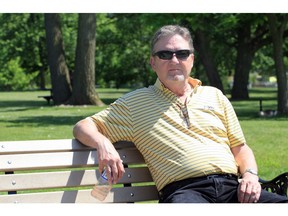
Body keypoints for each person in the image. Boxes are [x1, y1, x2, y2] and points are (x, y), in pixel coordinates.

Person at [73, 25, 288, 203]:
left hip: (234, 189)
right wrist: (103, 143)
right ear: (153, 62)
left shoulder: (215, 96)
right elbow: (82, 127)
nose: (174, 60)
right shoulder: (135, 103)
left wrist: (250, 175)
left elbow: (240, 149)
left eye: (182, 54)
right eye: (165, 54)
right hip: (186, 192)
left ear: (192, 60)